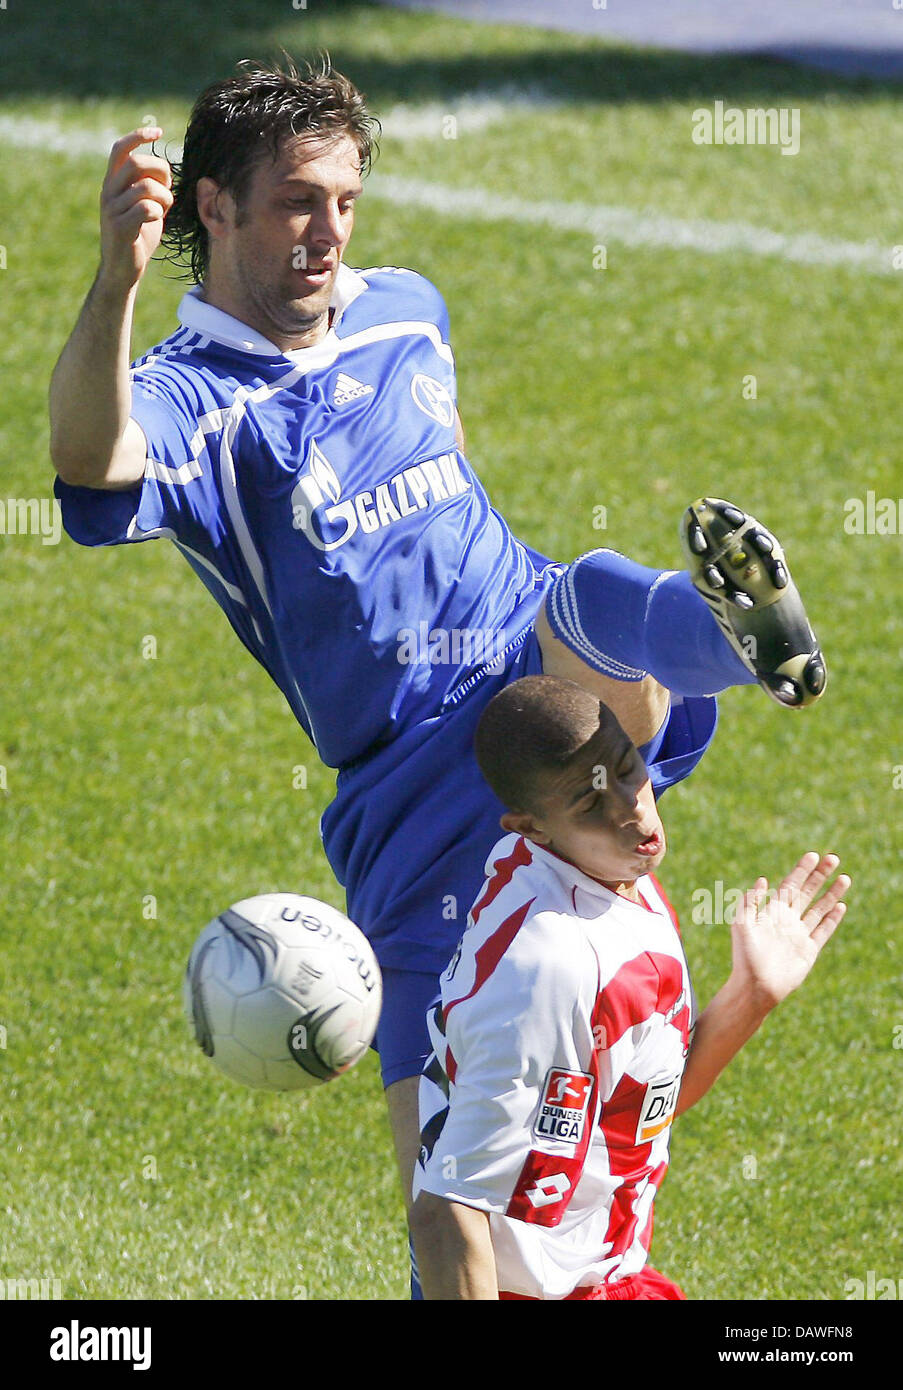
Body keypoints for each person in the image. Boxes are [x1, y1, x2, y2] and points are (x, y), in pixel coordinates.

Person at [47, 54, 827, 1232]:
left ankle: (729, 632)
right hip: (407, 786)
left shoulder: (407, 309)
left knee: (590, 596)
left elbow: (447, 459)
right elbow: (90, 462)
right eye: (299, 201)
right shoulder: (192, 399)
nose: (328, 231)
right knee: (444, 1202)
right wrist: (116, 279)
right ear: (215, 206)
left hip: (534, 655)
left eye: (347, 201)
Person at [410, 676, 849, 1300]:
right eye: (591, 806)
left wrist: (752, 994)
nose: (630, 809)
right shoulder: (552, 968)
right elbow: (447, 1209)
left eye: (626, 767)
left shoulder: (612, 881)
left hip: (614, 1277)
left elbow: (637, 1110)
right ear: (532, 826)